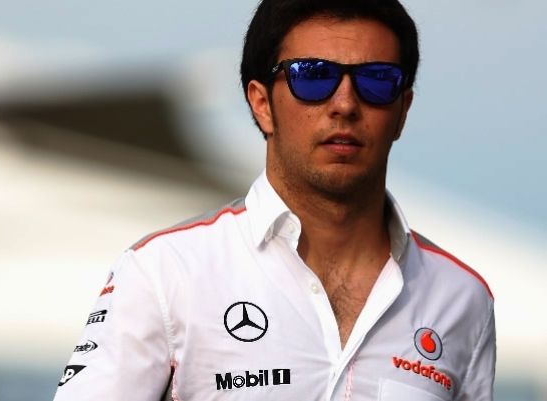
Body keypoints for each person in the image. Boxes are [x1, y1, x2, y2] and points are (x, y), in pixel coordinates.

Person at [52, 0, 496, 400]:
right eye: (313, 77)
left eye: (376, 81)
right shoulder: (165, 271)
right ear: (261, 103)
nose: (345, 103)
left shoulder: (462, 299)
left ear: (403, 110)